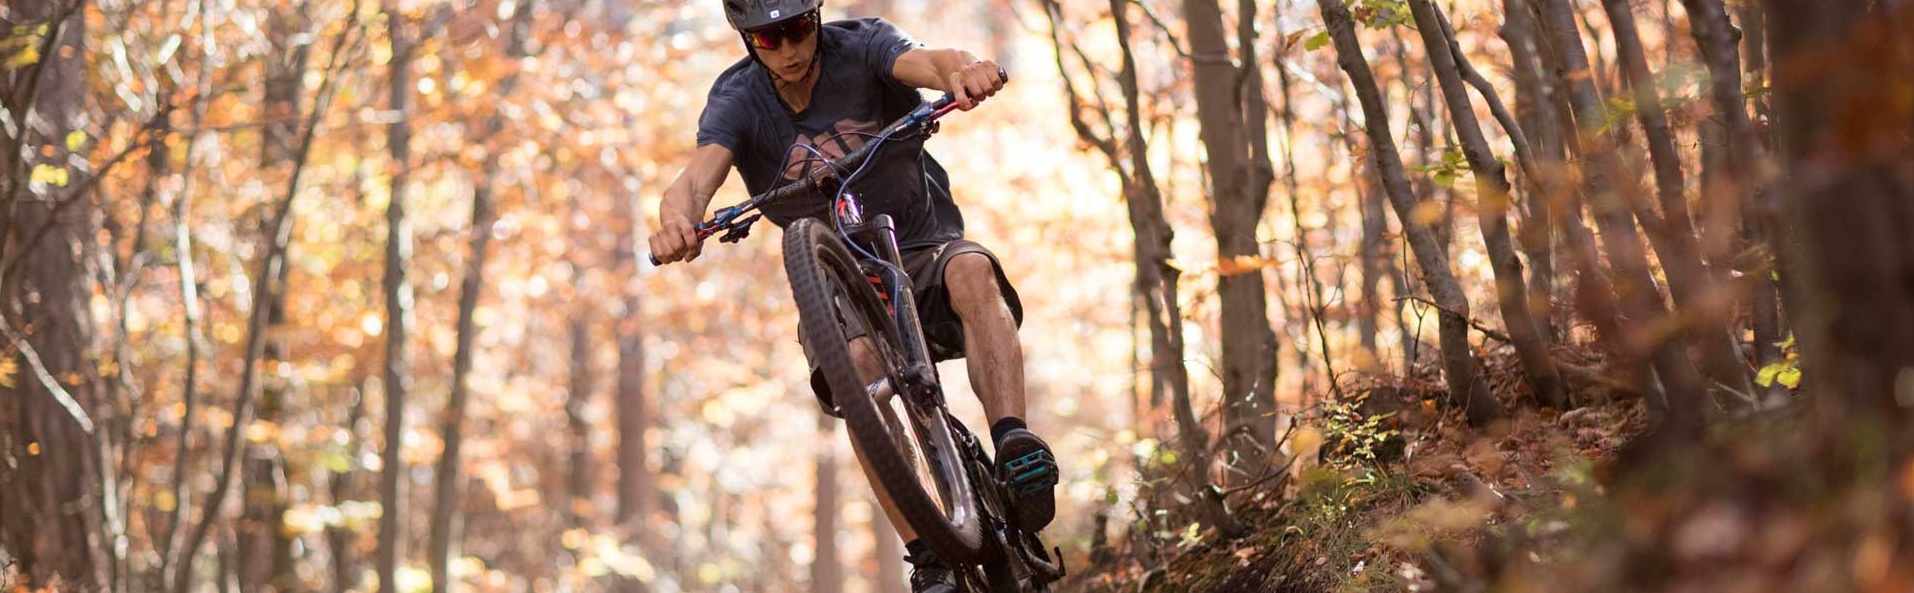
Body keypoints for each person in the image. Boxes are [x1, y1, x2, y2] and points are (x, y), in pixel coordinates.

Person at [646, 1, 1057, 590]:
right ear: (747, 41)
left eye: (796, 29)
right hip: (837, 286)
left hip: (920, 246)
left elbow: (933, 62)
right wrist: (676, 221)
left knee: (973, 270)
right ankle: (928, 553)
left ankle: (1014, 444)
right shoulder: (738, 99)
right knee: (858, 369)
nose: (787, 48)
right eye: (768, 39)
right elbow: (693, 179)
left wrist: (964, 71)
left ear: (815, 20)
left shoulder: (863, 44)